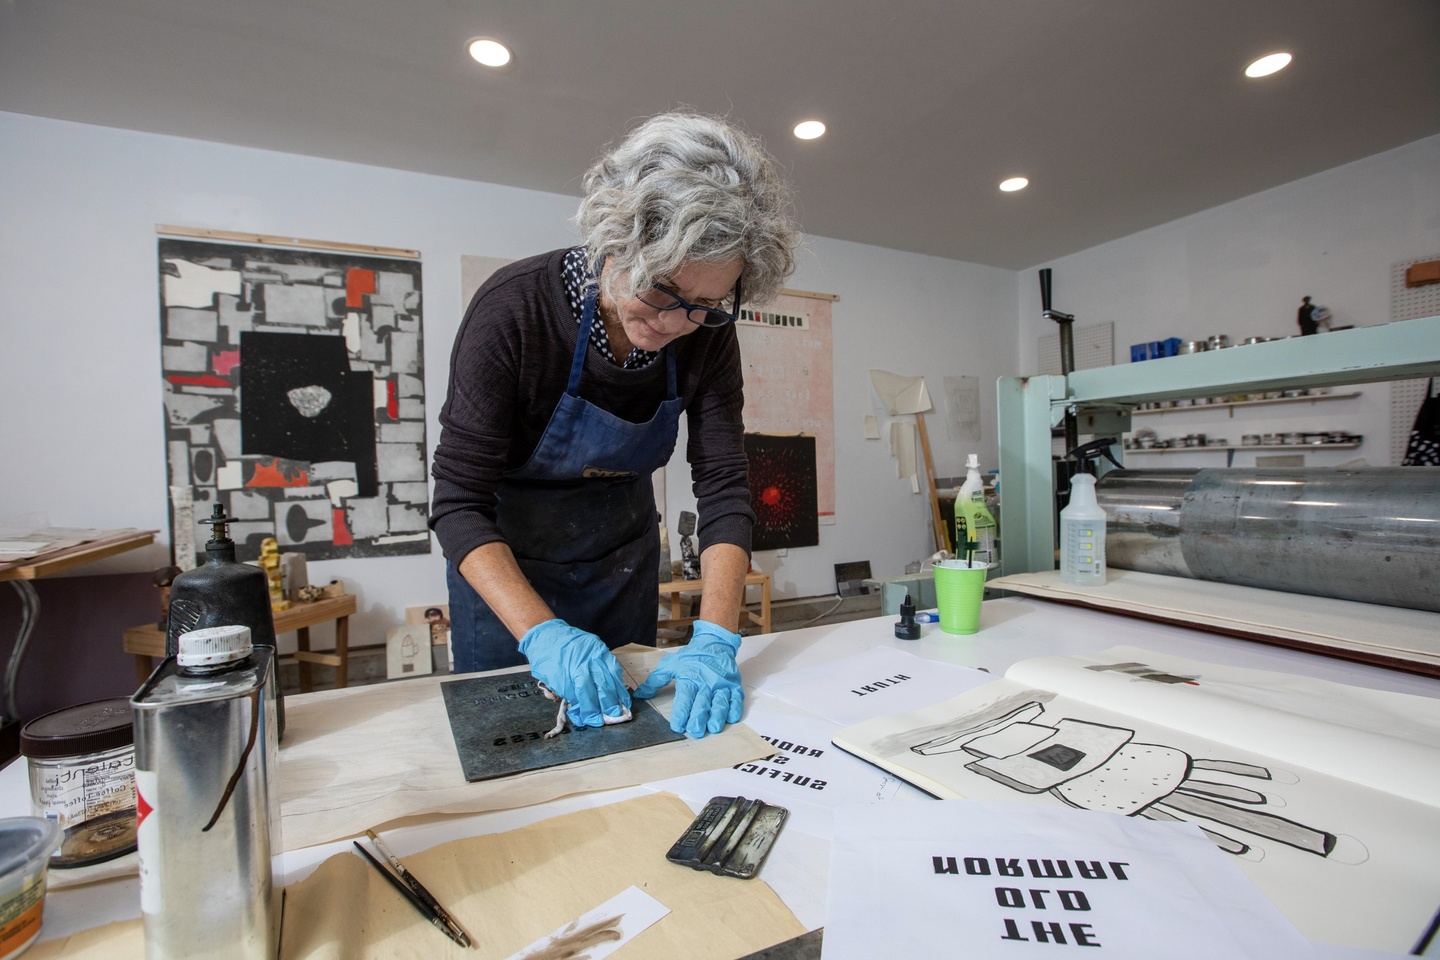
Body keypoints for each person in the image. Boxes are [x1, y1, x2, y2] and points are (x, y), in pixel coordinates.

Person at [430, 111, 802, 739]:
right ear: (614, 240)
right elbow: (457, 501)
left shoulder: (707, 337)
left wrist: (716, 636)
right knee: (515, 758)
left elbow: (723, 487)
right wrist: (543, 633)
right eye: (662, 291)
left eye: (706, 306)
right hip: (508, 578)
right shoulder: (511, 312)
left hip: (619, 566)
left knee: (630, 746)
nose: (678, 323)